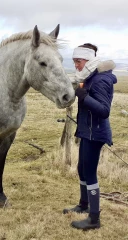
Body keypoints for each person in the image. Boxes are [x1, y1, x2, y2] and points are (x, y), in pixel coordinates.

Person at [63, 43, 117, 230]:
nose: (76, 65)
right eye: (74, 61)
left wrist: (84, 97)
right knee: (82, 169)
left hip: (96, 133)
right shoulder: (89, 77)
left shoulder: (101, 80)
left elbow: (104, 111)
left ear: (88, 60)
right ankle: (83, 205)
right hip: (88, 131)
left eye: (78, 61)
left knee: (90, 173)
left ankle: (94, 219)